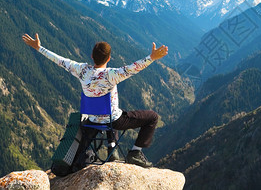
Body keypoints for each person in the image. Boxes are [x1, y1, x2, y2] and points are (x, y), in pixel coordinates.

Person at [22, 33, 168, 168]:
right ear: (109, 58)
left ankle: (112, 147)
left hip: (91, 120)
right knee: (151, 117)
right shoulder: (112, 74)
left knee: (112, 111)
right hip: (112, 121)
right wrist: (152, 58)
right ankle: (135, 153)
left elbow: (59, 60)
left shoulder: (82, 70)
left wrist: (39, 48)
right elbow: (133, 68)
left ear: (92, 56)